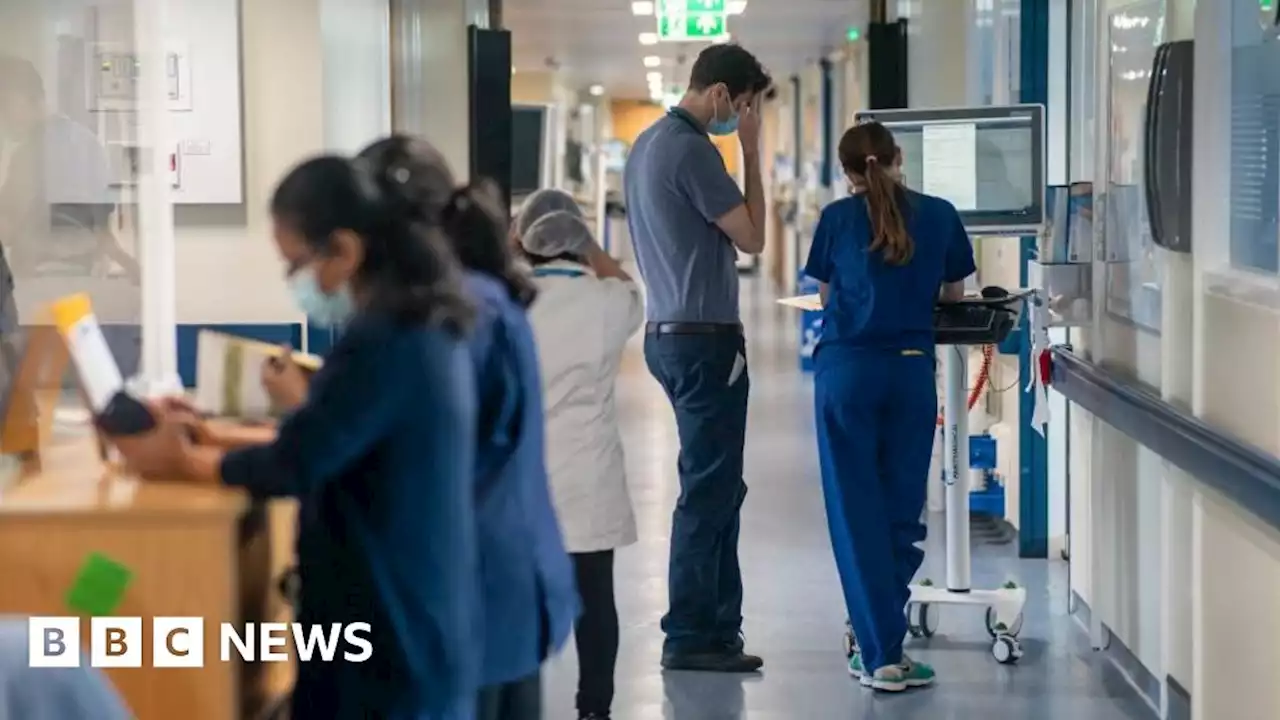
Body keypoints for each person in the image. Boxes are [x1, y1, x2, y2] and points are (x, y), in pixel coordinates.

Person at [113, 154, 483, 719]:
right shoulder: (417, 324)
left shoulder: (387, 340)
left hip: (388, 637)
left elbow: (298, 461)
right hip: (408, 620)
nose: (298, 284)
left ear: (345, 250)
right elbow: (330, 434)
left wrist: (183, 462)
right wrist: (206, 438)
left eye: (296, 265)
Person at [356, 136, 579, 720]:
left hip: (474, 584)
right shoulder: (484, 297)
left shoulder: (455, 315)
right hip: (510, 580)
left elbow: (427, 438)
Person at [804, 122, 976, 692]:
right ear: (900, 158)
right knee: (901, 514)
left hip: (846, 373)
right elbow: (953, 296)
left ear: (847, 172)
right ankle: (885, 644)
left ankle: (879, 653)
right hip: (908, 372)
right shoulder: (940, 213)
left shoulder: (835, 220)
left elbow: (827, 296)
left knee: (856, 514)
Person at [623, 43, 771, 673]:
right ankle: (690, 634)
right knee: (709, 491)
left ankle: (716, 627)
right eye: (742, 106)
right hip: (704, 340)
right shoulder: (693, 149)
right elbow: (755, 237)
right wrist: (752, 150)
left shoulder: (647, 145)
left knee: (714, 485)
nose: (741, 116)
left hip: (668, 331)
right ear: (719, 95)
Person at [513, 188, 642, 720]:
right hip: (588, 475)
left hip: (524, 478)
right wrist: (593, 244)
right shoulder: (608, 303)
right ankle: (594, 709)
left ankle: (517, 704)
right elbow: (627, 285)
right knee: (595, 601)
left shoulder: (510, 305)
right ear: (580, 242)